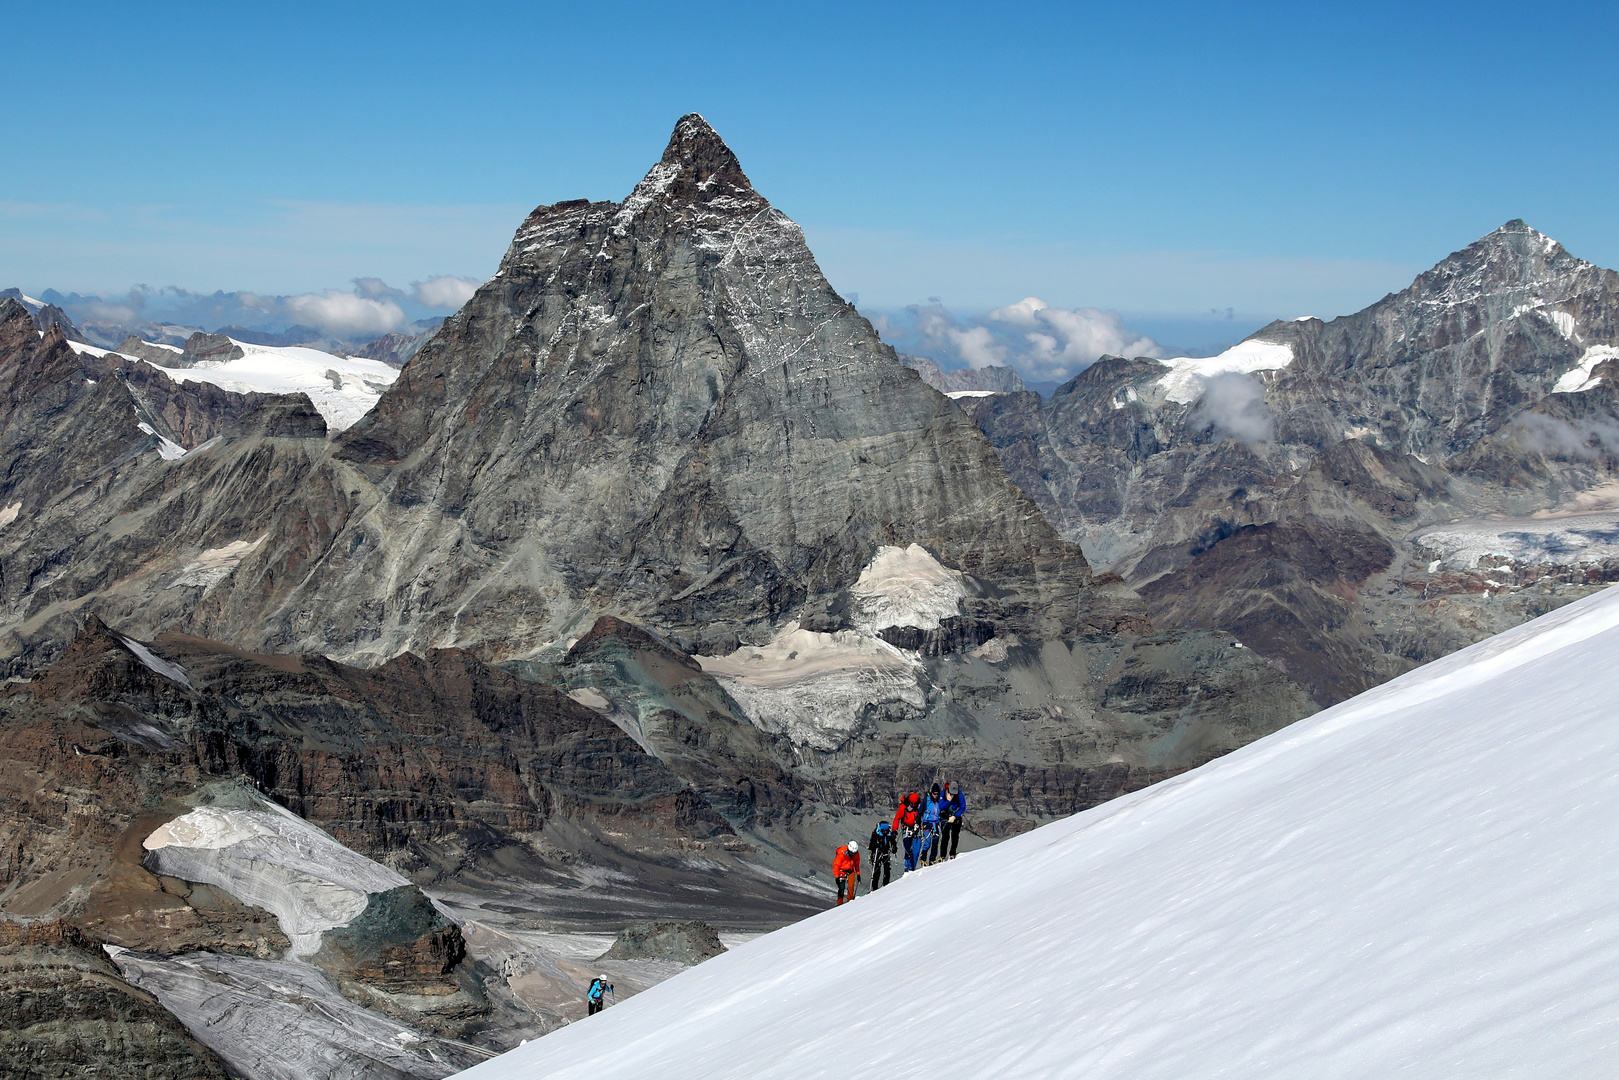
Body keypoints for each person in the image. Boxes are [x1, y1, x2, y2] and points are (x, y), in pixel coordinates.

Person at [892, 791, 923, 871]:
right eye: (912, 804)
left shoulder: (920, 806)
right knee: (908, 849)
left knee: (916, 851)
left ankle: (912, 868)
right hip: (907, 829)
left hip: (917, 829)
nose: (913, 805)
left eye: (915, 804)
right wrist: (894, 830)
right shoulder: (903, 807)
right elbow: (897, 818)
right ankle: (907, 868)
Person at [868, 821, 897, 891]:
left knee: (887, 869)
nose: (885, 832)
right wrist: (876, 846)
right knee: (877, 870)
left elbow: (893, 843)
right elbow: (871, 846)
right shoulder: (876, 835)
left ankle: (885, 884)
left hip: (885, 852)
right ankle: (874, 888)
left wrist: (894, 848)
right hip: (877, 853)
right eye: (883, 830)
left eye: (886, 830)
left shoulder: (889, 835)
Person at [940, 781, 966, 860]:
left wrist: (955, 816)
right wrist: (948, 801)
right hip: (946, 817)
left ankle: (952, 853)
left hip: (955, 817)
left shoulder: (960, 795)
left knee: (955, 836)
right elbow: (941, 807)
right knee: (945, 837)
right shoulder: (943, 794)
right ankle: (942, 855)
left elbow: (963, 807)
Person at [920, 783, 944, 866]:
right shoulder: (927, 800)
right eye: (934, 794)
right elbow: (920, 810)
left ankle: (932, 859)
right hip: (927, 823)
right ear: (931, 793)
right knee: (927, 842)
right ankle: (923, 858)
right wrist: (918, 821)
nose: (936, 796)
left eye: (937, 794)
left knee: (935, 842)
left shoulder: (940, 801)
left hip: (936, 824)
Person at [833, 839, 861, 905]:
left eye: (853, 853)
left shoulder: (856, 854)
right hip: (842, 871)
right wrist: (837, 876)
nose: (852, 854)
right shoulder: (841, 853)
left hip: (851, 870)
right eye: (851, 853)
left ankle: (850, 902)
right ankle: (839, 903)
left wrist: (858, 873)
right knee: (841, 888)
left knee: (851, 887)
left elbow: (857, 863)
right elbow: (836, 865)